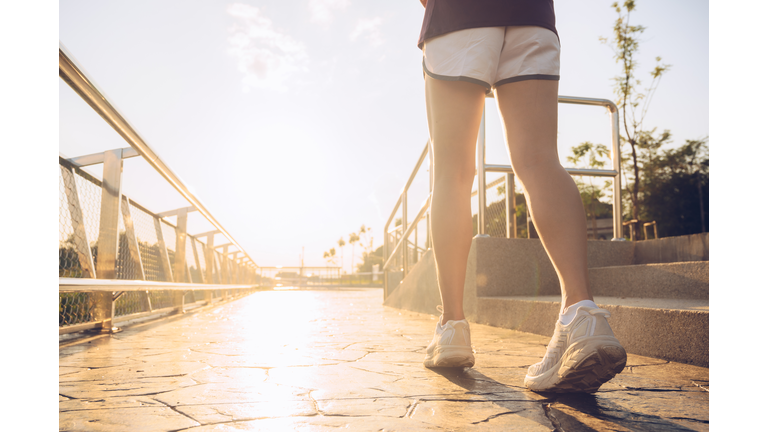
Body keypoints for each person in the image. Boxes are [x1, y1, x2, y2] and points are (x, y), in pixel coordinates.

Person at [418, 0, 627, 393]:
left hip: (458, 17)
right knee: (540, 160)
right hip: (532, 14)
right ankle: (582, 316)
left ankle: (452, 327)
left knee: (452, 173)